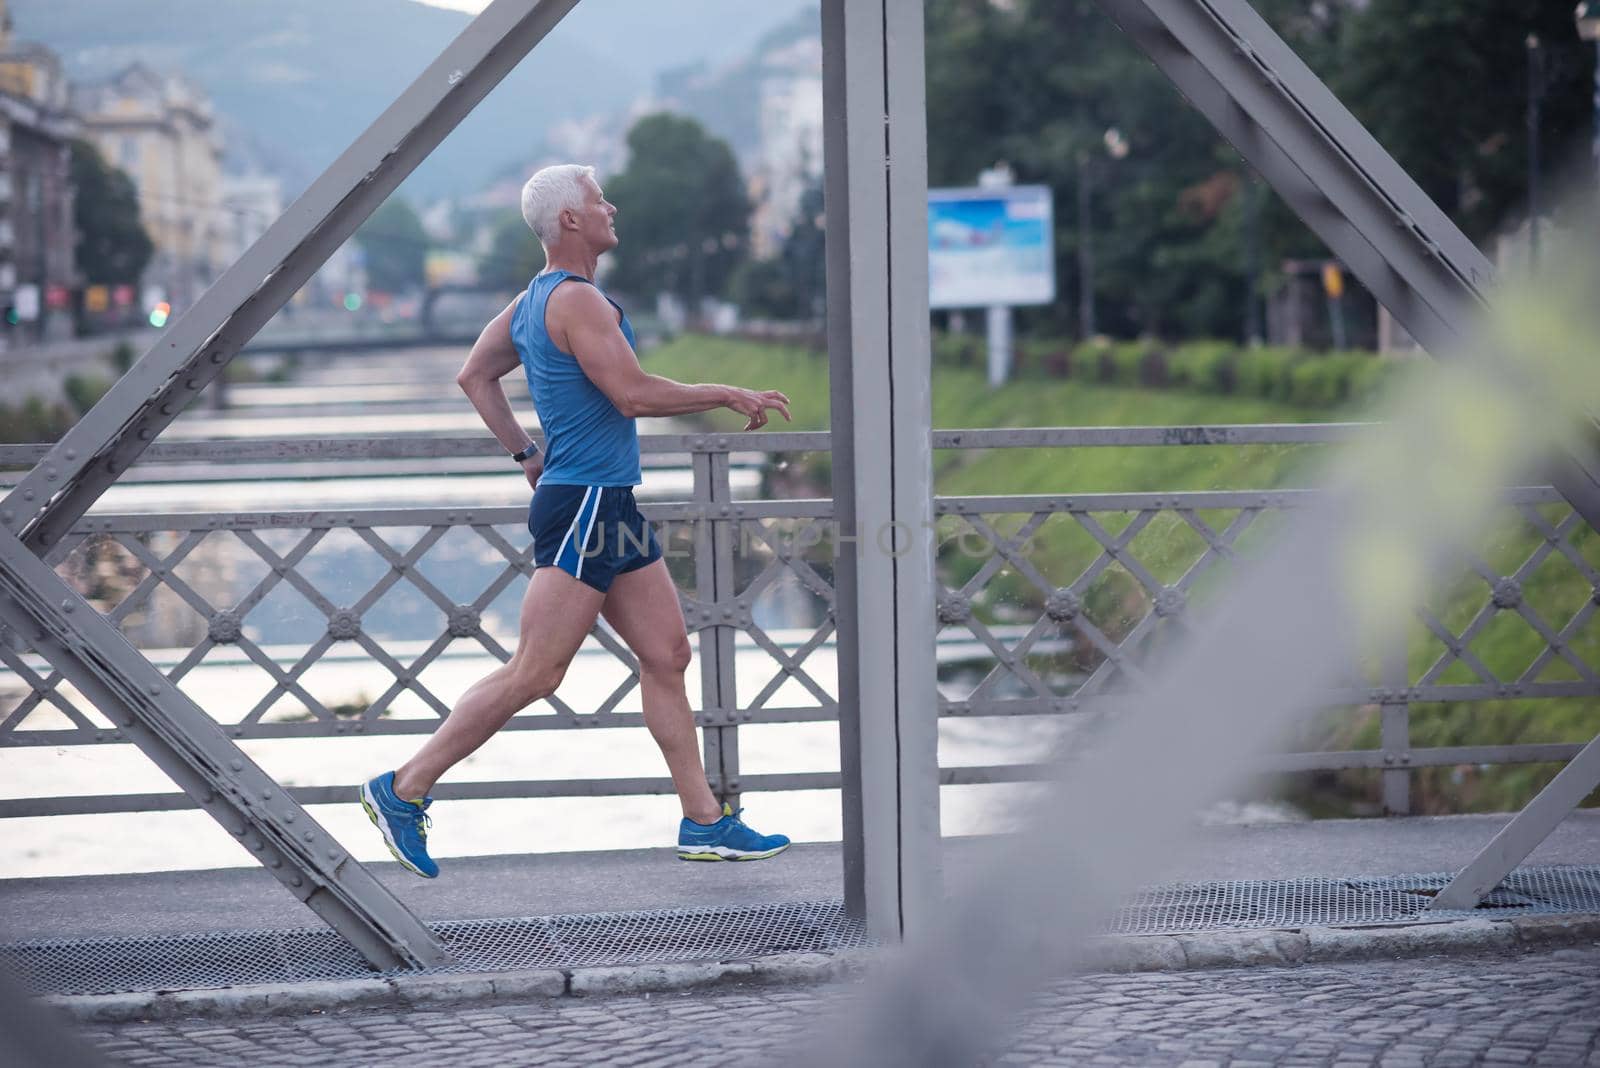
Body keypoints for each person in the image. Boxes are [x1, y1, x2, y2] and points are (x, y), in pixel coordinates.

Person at [358, 163, 793, 878]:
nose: (610, 207)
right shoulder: (579, 302)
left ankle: (705, 821)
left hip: (606, 500)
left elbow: (474, 375)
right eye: (598, 200)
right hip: (587, 502)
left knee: (669, 655)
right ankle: (403, 788)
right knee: (536, 672)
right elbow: (630, 394)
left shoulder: (532, 301)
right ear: (569, 220)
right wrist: (725, 389)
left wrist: (525, 453)